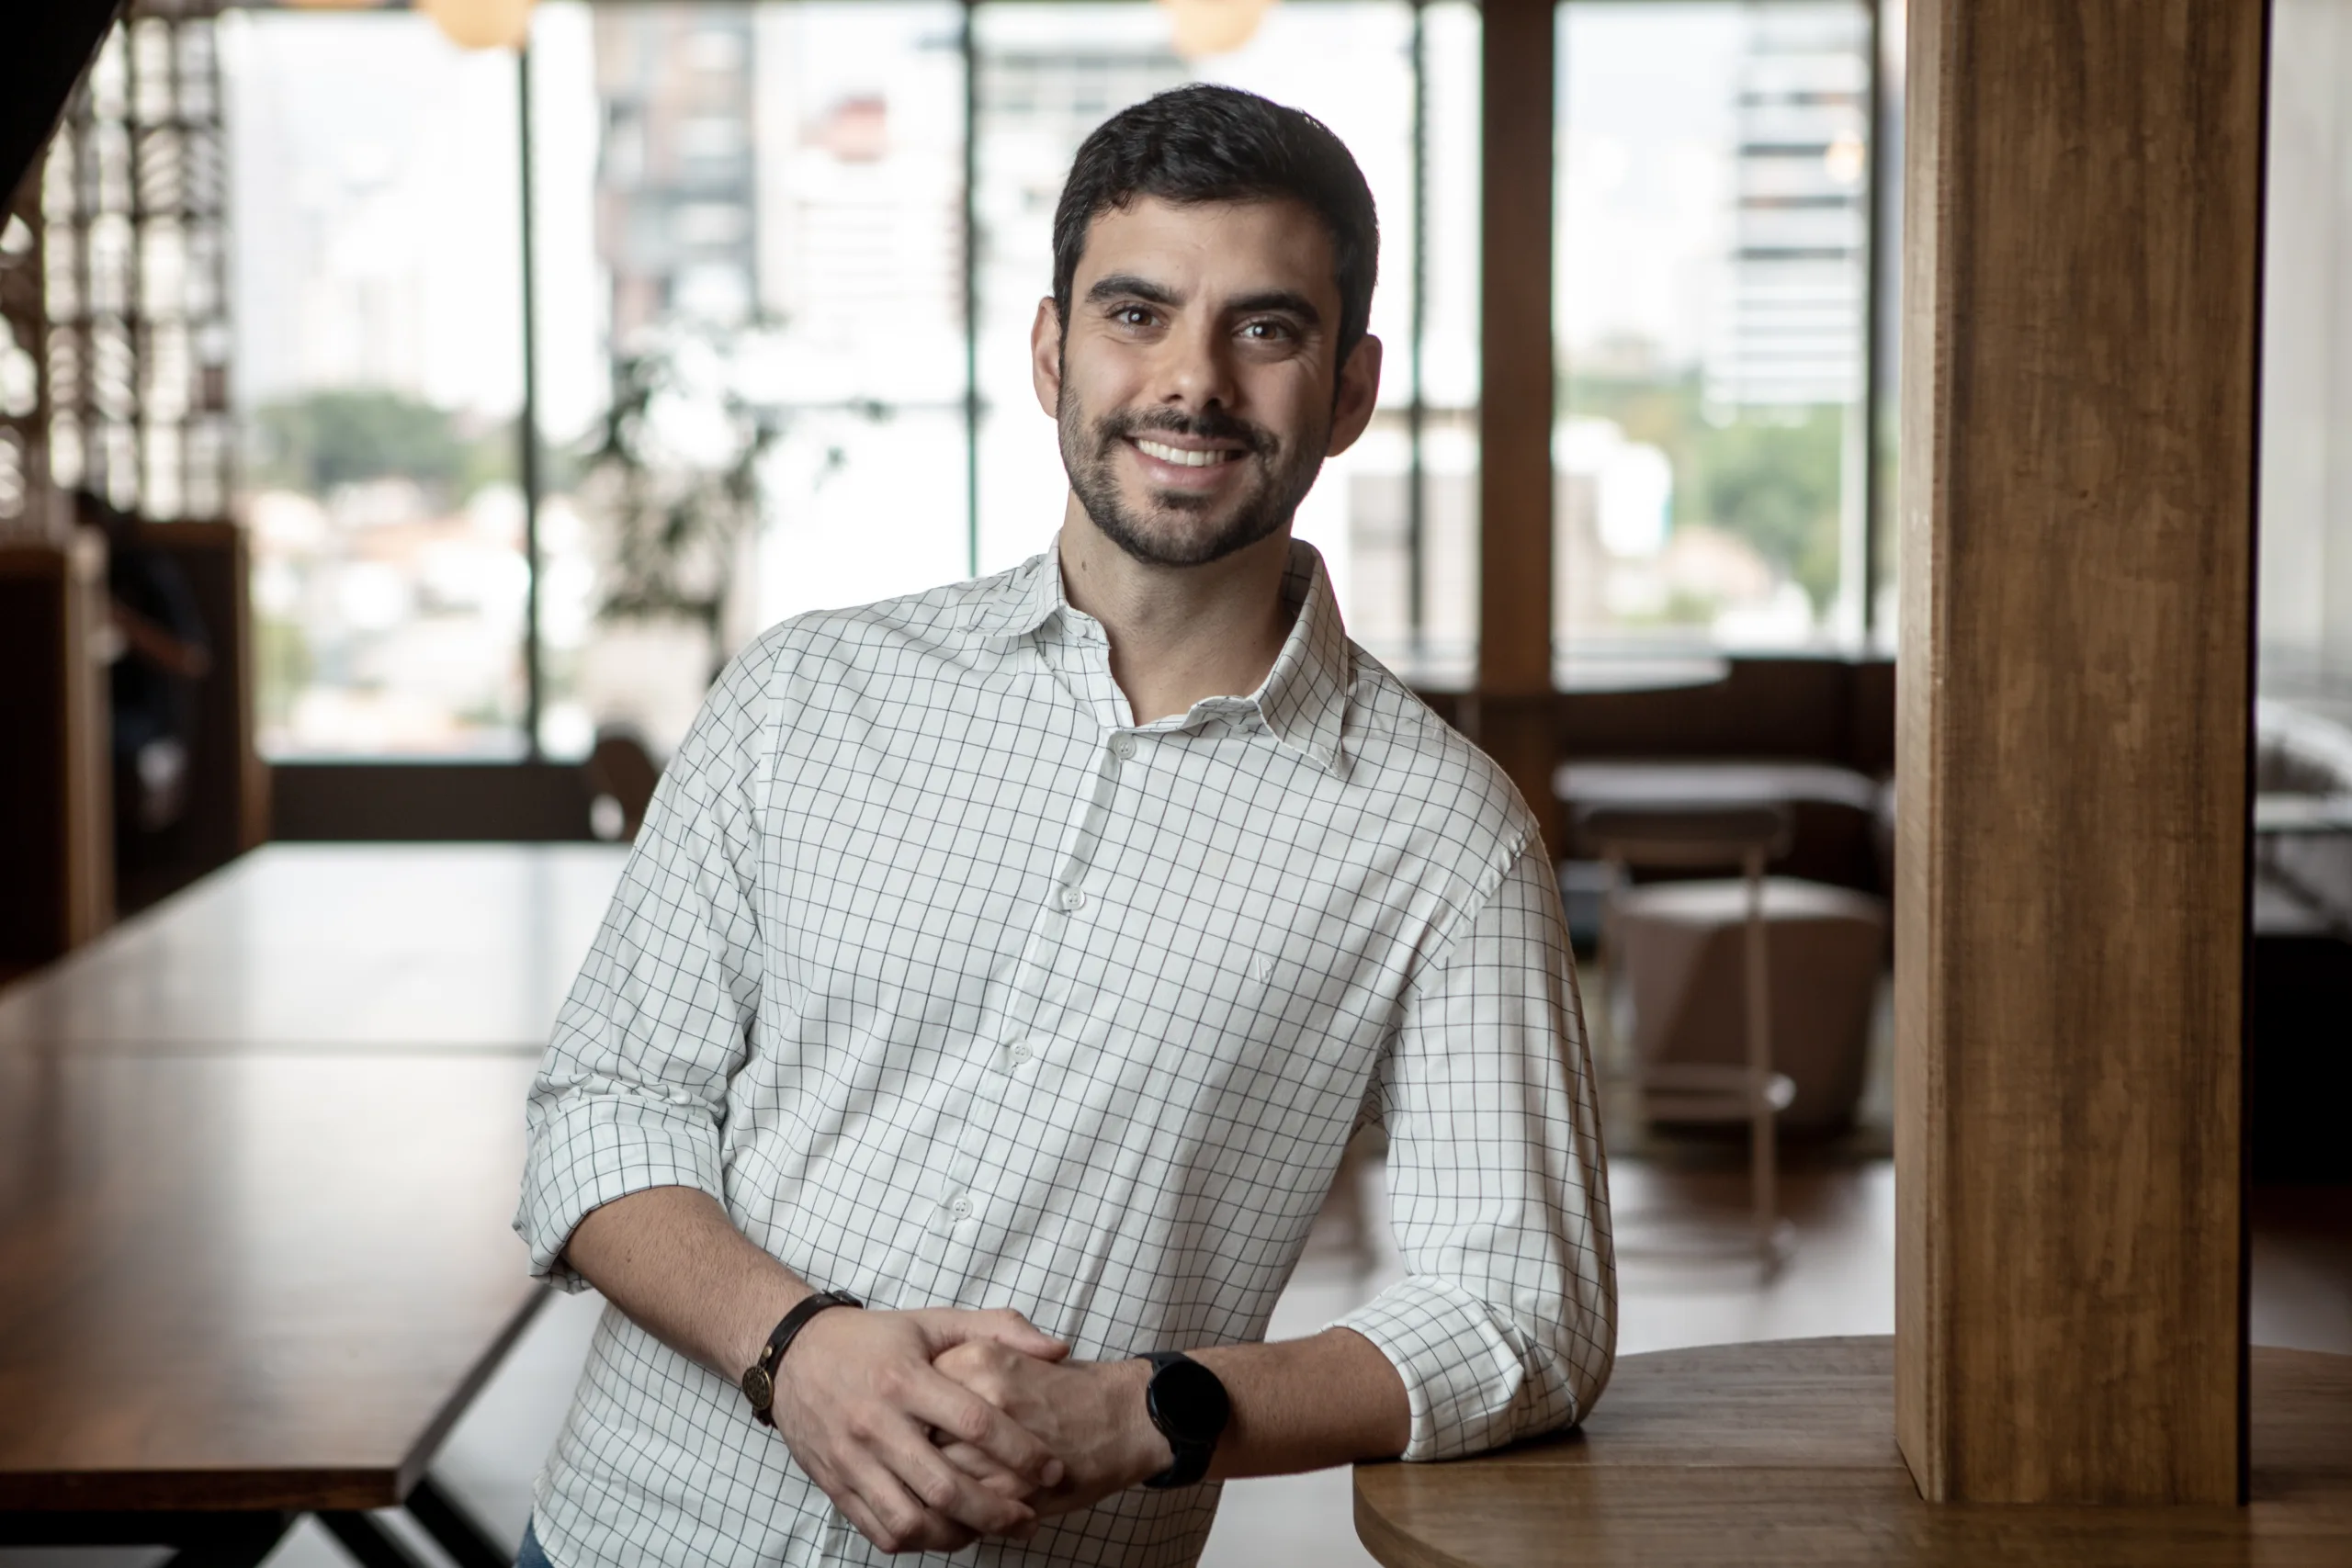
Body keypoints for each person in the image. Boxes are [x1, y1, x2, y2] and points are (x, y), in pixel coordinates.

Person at [514, 84, 1614, 1568]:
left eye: (1266, 328)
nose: (1194, 381)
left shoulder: (1443, 835)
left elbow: (1524, 1308)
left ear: (1348, 391)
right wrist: (800, 1349)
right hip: (623, 1538)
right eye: (1138, 314)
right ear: (1053, 352)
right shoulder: (806, 693)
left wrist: (1149, 1413)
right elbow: (604, 1102)